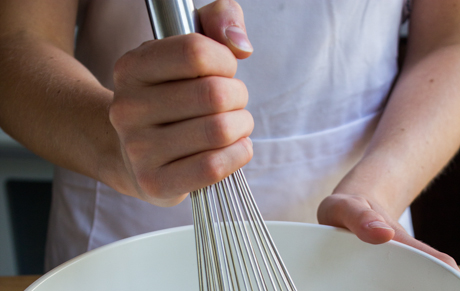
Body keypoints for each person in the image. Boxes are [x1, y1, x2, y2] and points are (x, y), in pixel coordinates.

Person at [0, 0, 458, 270]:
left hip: (358, 223)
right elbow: (15, 41)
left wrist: (378, 191)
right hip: (122, 231)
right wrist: (113, 143)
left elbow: (449, 41)